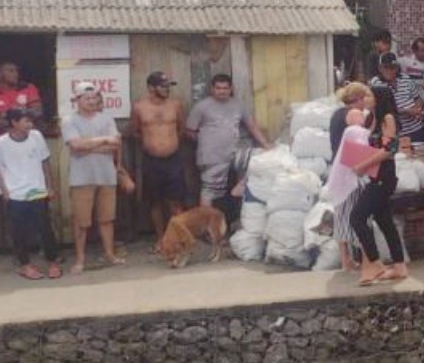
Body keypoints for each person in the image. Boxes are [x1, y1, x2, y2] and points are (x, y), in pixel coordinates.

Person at [62, 82, 123, 273]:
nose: (91, 101)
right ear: (77, 100)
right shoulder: (69, 120)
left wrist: (91, 145)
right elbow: (76, 146)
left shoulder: (106, 118)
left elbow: (115, 145)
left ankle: (110, 254)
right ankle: (80, 259)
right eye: (86, 98)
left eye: (94, 97)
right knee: (82, 221)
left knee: (107, 218)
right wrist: (102, 140)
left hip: (106, 175)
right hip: (82, 177)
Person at [349, 85, 408, 284]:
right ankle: (400, 266)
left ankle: (375, 263)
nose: (365, 98)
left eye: (369, 95)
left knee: (357, 217)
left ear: (378, 98)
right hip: (373, 175)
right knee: (385, 222)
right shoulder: (369, 119)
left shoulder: (387, 119)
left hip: (384, 176)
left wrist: (363, 164)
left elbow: (389, 150)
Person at [186, 74, 269, 206]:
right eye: (218, 88)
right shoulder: (201, 107)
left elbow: (251, 125)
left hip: (235, 153)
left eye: (225, 88)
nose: (222, 91)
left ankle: (241, 212)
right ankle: (205, 223)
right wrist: (207, 144)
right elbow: (190, 131)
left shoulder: (238, 105)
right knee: (210, 191)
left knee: (254, 170)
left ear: (231, 89)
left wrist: (266, 145)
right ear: (212, 89)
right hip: (211, 156)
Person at [0, 107, 60, 280]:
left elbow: (45, 163)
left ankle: (52, 262)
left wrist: (50, 186)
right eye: (26, 121)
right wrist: (5, 191)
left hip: (38, 191)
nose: (30, 124)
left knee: (45, 229)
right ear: (14, 123)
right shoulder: (2, 143)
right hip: (15, 194)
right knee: (18, 232)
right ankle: (24, 265)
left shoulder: (36, 137)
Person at [130, 71, 187, 246]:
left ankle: (178, 237)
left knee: (176, 201)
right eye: (163, 86)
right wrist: (152, 145)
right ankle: (161, 238)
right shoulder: (139, 107)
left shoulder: (175, 105)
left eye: (169, 86)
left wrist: (169, 144)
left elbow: (180, 129)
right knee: (154, 201)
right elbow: (135, 131)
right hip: (151, 160)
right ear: (151, 88)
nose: (167, 89)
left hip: (173, 159)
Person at [327, 105, 370, 272]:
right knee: (360, 219)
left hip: (340, 181)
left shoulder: (339, 120)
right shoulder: (356, 133)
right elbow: (361, 159)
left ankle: (346, 261)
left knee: (341, 219)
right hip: (352, 180)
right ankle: (368, 259)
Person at [371, 52, 424, 144]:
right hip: (395, 132)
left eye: (392, 67)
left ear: (397, 68)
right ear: (380, 68)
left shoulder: (405, 78)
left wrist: (417, 110)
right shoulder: (376, 83)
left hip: (415, 128)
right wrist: (407, 111)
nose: (389, 71)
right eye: (386, 67)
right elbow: (382, 109)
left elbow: (417, 98)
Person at [330, 82, 372, 158]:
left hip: (338, 159)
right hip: (348, 161)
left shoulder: (338, 112)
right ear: (360, 98)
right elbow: (361, 142)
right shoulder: (355, 114)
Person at [0, 60, 43, 132]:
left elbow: (37, 111)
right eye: (11, 71)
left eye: (16, 71)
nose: (15, 74)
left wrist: (8, 114)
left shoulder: (27, 87)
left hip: (26, 133)